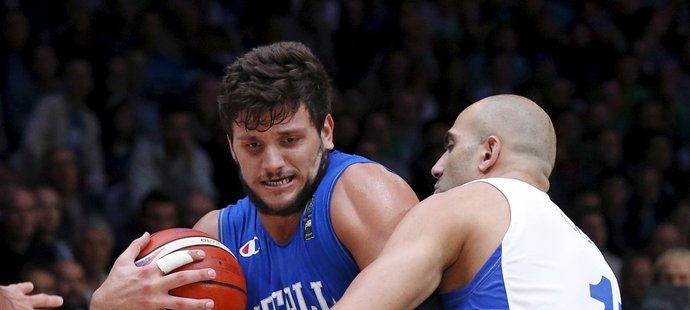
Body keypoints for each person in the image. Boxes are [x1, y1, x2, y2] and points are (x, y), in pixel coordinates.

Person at [90, 41, 428, 309]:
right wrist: (107, 306)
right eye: (253, 145)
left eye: (289, 140)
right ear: (232, 147)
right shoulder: (215, 236)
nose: (272, 163)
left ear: (325, 132)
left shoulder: (362, 191)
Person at [332, 94, 622, 309]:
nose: (437, 166)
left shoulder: (467, 203)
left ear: (488, 153)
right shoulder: (596, 260)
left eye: (450, 146)